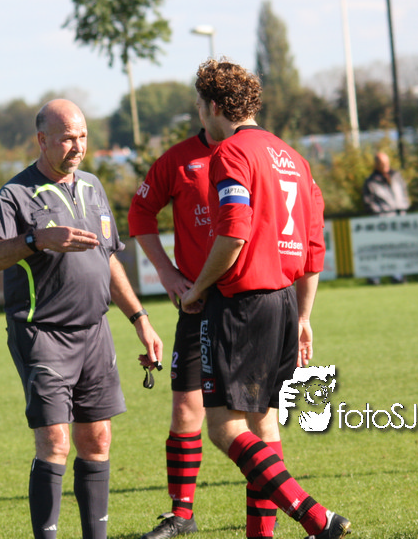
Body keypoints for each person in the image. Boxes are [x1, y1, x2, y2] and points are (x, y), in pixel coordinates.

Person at [0, 98, 163, 539]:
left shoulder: (93, 186)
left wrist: (140, 318)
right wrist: (36, 240)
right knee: (55, 441)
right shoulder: (15, 194)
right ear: (42, 140)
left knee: (97, 440)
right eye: (66, 139)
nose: (77, 146)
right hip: (42, 334)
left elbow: (108, 259)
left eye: (82, 137)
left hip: (95, 333)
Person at [179, 59, 350, 539]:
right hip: (284, 303)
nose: (199, 116)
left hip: (241, 305)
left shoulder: (230, 153)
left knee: (224, 428)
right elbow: (313, 249)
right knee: (264, 425)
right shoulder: (292, 157)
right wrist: (304, 316)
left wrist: (197, 288)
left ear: (215, 106)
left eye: (200, 106)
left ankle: (316, 518)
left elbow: (234, 232)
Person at [128, 122, 315, 539]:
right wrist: (168, 273)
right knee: (185, 409)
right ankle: (181, 514)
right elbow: (139, 213)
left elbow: (299, 234)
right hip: (196, 302)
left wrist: (305, 315)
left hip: (243, 300)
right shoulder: (177, 160)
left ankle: (270, 527)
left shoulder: (255, 154)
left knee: (258, 418)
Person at [361, 151, 410, 284]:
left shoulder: (397, 176)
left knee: (399, 249)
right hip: (382, 221)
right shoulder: (371, 181)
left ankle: (398, 276)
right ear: (376, 164)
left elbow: (404, 195)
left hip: (399, 219)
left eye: (386, 162)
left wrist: (403, 209)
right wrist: (381, 214)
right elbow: (369, 202)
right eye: (382, 163)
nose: (385, 165)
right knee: (379, 250)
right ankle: (374, 278)